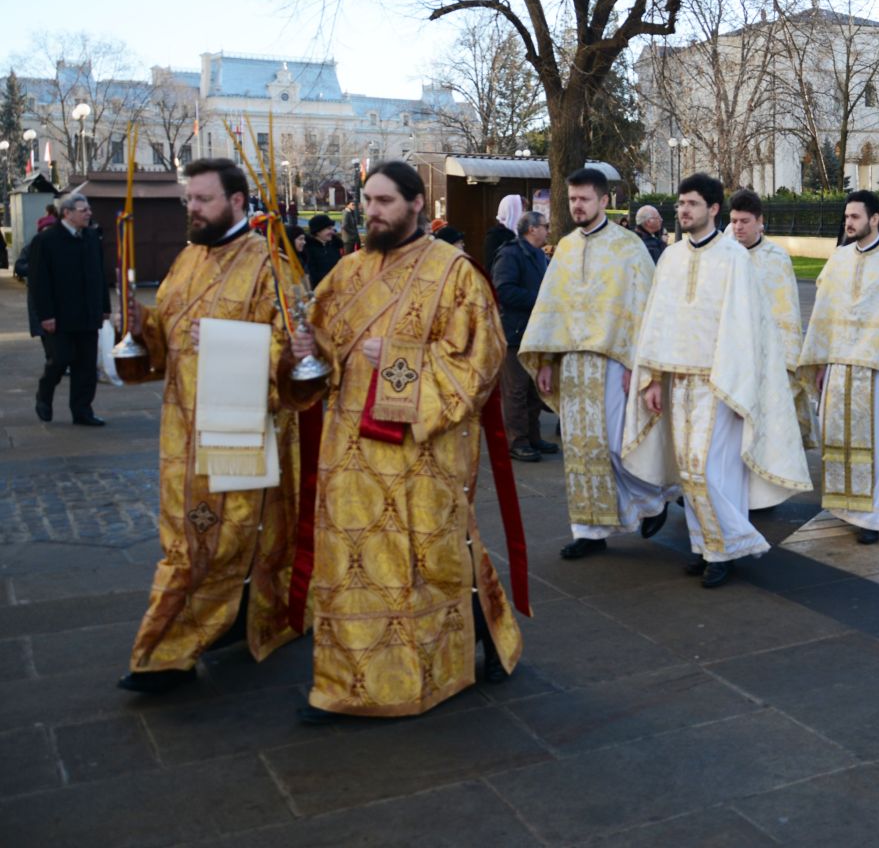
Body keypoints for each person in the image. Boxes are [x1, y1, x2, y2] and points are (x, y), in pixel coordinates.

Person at [288, 161, 525, 721]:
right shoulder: (346, 274)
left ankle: (441, 662)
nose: (371, 211)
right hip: (349, 450)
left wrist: (402, 360)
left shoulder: (455, 273)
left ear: (418, 204)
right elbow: (321, 354)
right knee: (350, 564)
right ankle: (346, 680)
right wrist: (304, 351)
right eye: (368, 200)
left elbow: (480, 364)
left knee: (430, 559)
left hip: (423, 452)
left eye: (385, 201)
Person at [117, 158, 302, 693]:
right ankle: (231, 620)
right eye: (188, 200)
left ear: (238, 202)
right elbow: (168, 339)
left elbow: (301, 356)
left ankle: (164, 652)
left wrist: (225, 342)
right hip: (181, 427)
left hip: (237, 419)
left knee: (213, 542)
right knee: (188, 536)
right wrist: (142, 324)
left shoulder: (272, 265)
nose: (191, 210)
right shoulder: (188, 259)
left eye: (202, 200)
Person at [621, 173, 811, 587]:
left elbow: (747, 329)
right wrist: (651, 379)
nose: (683, 211)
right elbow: (656, 321)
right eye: (680, 204)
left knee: (712, 470)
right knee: (688, 470)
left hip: (720, 384)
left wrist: (737, 385)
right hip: (678, 384)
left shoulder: (733, 258)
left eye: (691, 203)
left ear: (712, 209)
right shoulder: (670, 258)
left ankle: (726, 547)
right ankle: (707, 545)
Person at [518, 168, 676, 560]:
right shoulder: (567, 248)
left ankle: (657, 497)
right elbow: (552, 309)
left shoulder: (629, 247)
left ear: (604, 200)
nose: (577, 206)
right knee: (580, 449)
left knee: (619, 444)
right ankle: (589, 529)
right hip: (572, 365)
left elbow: (644, 308)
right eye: (572, 199)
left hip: (613, 362)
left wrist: (635, 363)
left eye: (584, 199)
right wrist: (547, 360)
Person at [800, 192, 879, 542]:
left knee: (878, 444)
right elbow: (824, 314)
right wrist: (823, 360)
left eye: (855, 217)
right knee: (838, 439)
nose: (849, 222)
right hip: (840, 368)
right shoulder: (838, 260)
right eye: (847, 217)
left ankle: (875, 517)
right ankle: (846, 508)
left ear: (874, 219)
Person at [727, 189, 817, 448]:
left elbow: (786, 313)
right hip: (732, 357)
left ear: (759, 221)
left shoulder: (777, 259)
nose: (738, 227)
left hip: (768, 359)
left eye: (745, 221)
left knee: (768, 434)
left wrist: (787, 361)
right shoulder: (724, 256)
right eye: (734, 221)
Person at [28, 192, 111, 426]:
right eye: (84, 210)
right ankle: (44, 394)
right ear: (67, 213)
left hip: (88, 314)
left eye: (89, 209)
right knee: (60, 359)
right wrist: (45, 315)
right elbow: (38, 282)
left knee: (86, 366)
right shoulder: (46, 241)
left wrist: (104, 307)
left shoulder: (92, 238)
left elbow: (99, 275)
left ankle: (82, 411)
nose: (89, 213)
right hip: (59, 316)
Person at [493, 211, 558, 462]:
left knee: (533, 390)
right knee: (516, 390)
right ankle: (517, 440)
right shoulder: (510, 254)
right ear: (532, 229)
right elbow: (503, 290)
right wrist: (540, 300)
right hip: (515, 332)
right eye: (545, 226)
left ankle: (532, 436)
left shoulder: (540, 255)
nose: (548, 230)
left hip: (535, 331)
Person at [301, 213, 344, 288]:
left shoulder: (334, 246)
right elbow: (311, 275)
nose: (332, 232)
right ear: (318, 231)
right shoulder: (308, 250)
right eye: (328, 229)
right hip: (319, 291)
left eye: (331, 228)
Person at [485, 193, 525, 267]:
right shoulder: (495, 235)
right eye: (522, 210)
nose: (524, 214)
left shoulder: (521, 233)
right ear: (512, 211)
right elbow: (492, 264)